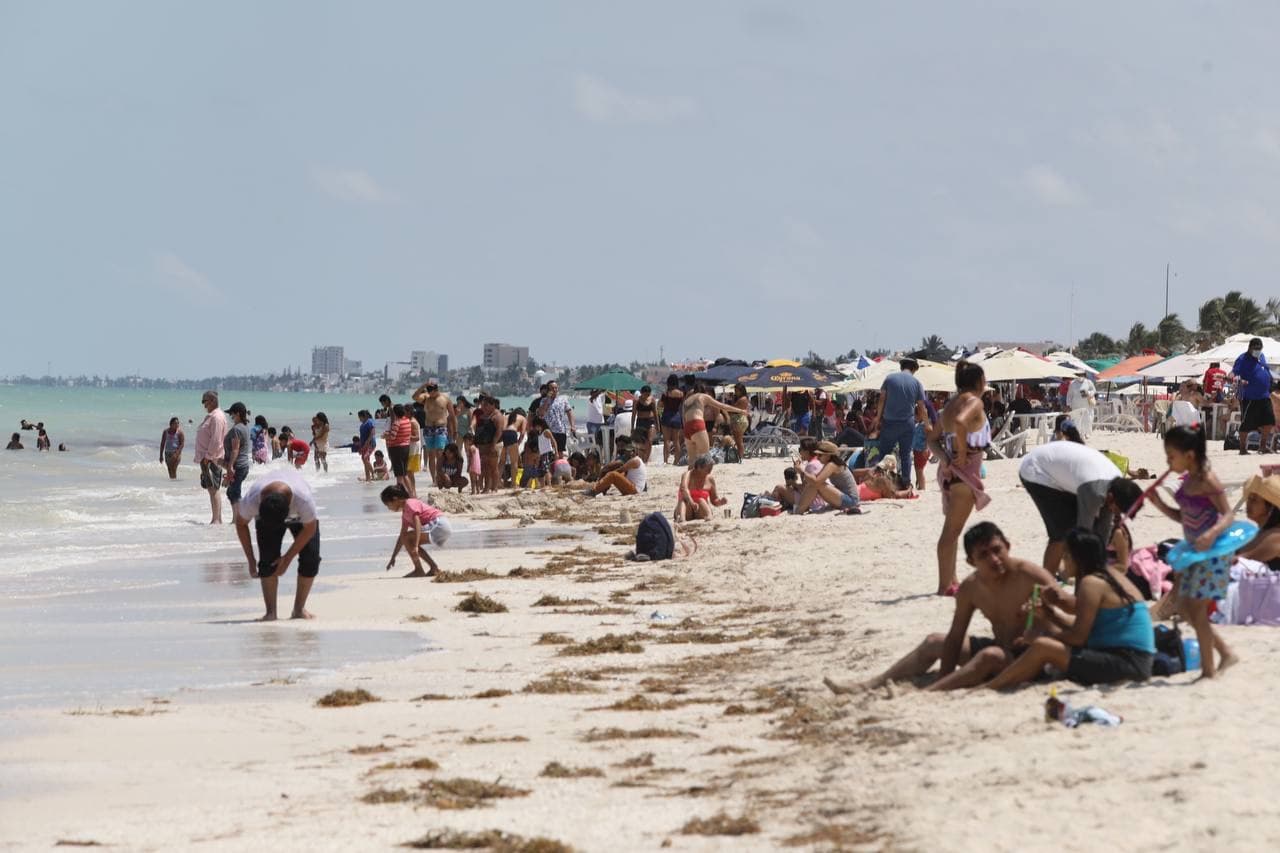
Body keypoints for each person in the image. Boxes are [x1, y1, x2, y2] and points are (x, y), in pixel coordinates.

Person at [825, 522, 1060, 693]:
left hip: (1031, 658)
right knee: (934, 641)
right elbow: (956, 635)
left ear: (1008, 546)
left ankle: (930, 693)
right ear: (971, 562)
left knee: (991, 655)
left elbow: (1070, 617)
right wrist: (946, 672)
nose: (994, 559)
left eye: (997, 550)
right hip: (1001, 647)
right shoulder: (970, 588)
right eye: (984, 555)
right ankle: (870, 685)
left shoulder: (1031, 576)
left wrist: (1041, 628)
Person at [984, 529, 1154, 690]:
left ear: (1077, 558)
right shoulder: (1109, 575)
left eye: (1066, 555)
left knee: (1043, 645)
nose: (1063, 560)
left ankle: (992, 686)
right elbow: (1081, 626)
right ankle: (1010, 678)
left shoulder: (1091, 583)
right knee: (1045, 633)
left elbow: (1078, 637)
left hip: (1129, 663)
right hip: (1134, 659)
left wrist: (1038, 637)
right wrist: (1049, 613)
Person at [1145, 424, 1239, 677]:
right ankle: (1226, 653)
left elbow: (1229, 515)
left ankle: (1209, 670)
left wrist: (1211, 533)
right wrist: (1159, 504)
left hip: (1211, 553)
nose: (1168, 462)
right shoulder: (1186, 482)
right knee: (1186, 609)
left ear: (1189, 455)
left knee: (1196, 609)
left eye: (1170, 456)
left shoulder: (1207, 480)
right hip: (1192, 551)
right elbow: (1184, 518)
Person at [1018, 440, 1124, 574]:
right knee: (1060, 534)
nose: (1118, 516)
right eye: (1117, 511)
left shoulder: (1115, 486)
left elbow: (1102, 531)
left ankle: (1064, 572)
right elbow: (1082, 535)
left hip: (1067, 475)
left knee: (1080, 532)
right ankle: (1046, 584)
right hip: (1037, 470)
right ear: (1112, 499)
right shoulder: (1095, 492)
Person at [233, 468, 321, 621]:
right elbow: (241, 524)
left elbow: (310, 528)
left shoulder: (303, 500)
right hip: (268, 514)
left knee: (311, 559)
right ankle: (270, 613)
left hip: (301, 519)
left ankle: (299, 609)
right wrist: (251, 559)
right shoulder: (252, 500)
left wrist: (287, 558)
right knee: (267, 562)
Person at [935, 362, 990, 596]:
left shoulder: (950, 404)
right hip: (965, 475)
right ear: (979, 381)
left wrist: (947, 458)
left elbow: (932, 439)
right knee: (951, 532)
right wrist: (963, 454)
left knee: (953, 531)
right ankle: (944, 585)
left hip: (949, 473)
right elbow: (960, 423)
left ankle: (951, 579)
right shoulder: (974, 402)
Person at [872, 358, 927, 489]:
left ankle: (880, 481)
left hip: (889, 422)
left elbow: (881, 399)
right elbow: (921, 406)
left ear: (901, 367)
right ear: (913, 369)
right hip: (907, 423)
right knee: (905, 455)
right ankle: (906, 483)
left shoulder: (889, 379)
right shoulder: (917, 383)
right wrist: (927, 423)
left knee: (884, 453)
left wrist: (877, 417)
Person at [381, 484, 452, 577]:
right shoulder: (405, 513)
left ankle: (419, 570)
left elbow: (417, 523)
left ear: (395, 499)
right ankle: (433, 568)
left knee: (408, 539)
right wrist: (393, 557)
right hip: (441, 527)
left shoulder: (410, 504)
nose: (388, 508)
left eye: (388, 505)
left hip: (439, 525)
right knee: (406, 538)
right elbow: (402, 536)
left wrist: (415, 546)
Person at [680, 380, 743, 467]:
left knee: (691, 461)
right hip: (697, 424)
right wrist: (740, 410)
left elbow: (683, 418)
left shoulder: (686, 401)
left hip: (687, 428)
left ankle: (688, 480)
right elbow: (723, 406)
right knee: (706, 459)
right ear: (704, 391)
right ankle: (705, 480)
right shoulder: (703, 396)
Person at [1231, 338, 1275, 454]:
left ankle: (1263, 446)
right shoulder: (1242, 359)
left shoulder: (1262, 356)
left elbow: (1264, 369)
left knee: (1269, 422)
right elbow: (1234, 374)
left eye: (1259, 349)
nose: (1258, 351)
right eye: (1255, 349)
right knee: (1246, 424)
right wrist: (1237, 379)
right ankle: (1242, 448)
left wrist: (1270, 378)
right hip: (1250, 397)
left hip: (1264, 395)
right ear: (1249, 348)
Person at [792, 440, 861, 515]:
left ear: (828, 455)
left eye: (820, 455)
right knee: (813, 484)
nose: (817, 457)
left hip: (851, 502)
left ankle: (798, 510)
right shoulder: (831, 464)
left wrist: (801, 471)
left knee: (816, 484)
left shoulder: (832, 465)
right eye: (817, 455)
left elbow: (816, 482)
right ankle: (799, 509)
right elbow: (814, 479)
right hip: (847, 499)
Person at [413, 381, 456, 485]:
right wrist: (424, 384)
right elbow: (414, 397)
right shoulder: (426, 398)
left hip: (440, 428)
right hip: (428, 428)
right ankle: (434, 480)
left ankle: (442, 476)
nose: (430, 393)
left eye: (432, 391)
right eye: (429, 391)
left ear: (437, 390)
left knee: (440, 453)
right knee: (431, 455)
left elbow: (452, 415)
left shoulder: (445, 399)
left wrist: (454, 431)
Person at [194, 390, 228, 524]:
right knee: (212, 489)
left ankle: (216, 520)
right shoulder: (212, 416)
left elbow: (216, 440)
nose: (203, 405)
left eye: (205, 401)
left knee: (213, 489)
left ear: (213, 401)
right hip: (208, 458)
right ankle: (217, 518)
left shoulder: (217, 417)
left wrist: (208, 457)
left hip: (211, 458)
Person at [1240, 474, 1280, 568]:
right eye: (1249, 499)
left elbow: (1242, 561)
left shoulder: (1276, 536)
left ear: (1271, 508)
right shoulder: (1258, 532)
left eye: (1254, 500)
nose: (1248, 504)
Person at [675, 454, 727, 520]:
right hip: (687, 508)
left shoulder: (710, 479)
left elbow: (714, 500)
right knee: (683, 501)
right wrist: (692, 503)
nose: (710, 472)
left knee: (701, 500)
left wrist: (720, 502)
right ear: (699, 467)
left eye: (711, 469)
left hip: (701, 510)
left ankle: (709, 517)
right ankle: (681, 520)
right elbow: (684, 489)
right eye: (708, 469)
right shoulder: (688, 474)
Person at [222, 402, 253, 508]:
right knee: (231, 492)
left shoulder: (237, 429)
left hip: (238, 465)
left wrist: (230, 466)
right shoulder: (244, 427)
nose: (231, 416)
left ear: (238, 414)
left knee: (234, 493)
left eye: (232, 414)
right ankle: (236, 519)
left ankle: (238, 519)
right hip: (243, 465)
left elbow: (235, 449)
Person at [473, 396, 505, 493]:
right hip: (483, 445)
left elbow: (499, 431)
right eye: (482, 405)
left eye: (486, 405)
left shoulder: (497, 416)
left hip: (493, 444)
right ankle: (487, 487)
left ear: (492, 405)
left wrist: (493, 444)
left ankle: (494, 487)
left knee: (493, 467)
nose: (483, 407)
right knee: (485, 467)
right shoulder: (485, 415)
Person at [383, 404, 415, 497]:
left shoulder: (397, 422)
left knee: (399, 475)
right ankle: (411, 493)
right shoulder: (407, 421)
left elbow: (392, 437)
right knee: (404, 473)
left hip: (397, 449)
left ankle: (401, 495)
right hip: (406, 447)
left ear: (395, 413)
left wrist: (385, 436)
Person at [538, 381, 576, 454]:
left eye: (556, 388)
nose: (554, 390)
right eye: (552, 388)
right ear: (548, 390)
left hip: (561, 430)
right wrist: (548, 399)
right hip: (548, 431)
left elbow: (569, 412)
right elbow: (541, 413)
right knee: (548, 453)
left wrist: (572, 425)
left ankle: (559, 465)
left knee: (560, 452)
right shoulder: (544, 400)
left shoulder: (563, 400)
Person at [659, 374, 685, 465]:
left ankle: (666, 460)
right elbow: (683, 405)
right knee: (676, 440)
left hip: (667, 415)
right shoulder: (681, 393)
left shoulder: (665, 393)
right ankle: (676, 460)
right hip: (677, 416)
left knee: (666, 440)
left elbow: (660, 405)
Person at [1065, 374, 1098, 438]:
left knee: (1087, 419)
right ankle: (1078, 433)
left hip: (1086, 405)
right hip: (1075, 405)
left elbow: (1094, 390)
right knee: (1077, 419)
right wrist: (1068, 404)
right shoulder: (1072, 383)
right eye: (1078, 374)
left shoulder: (1088, 382)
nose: (1080, 376)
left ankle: (1086, 433)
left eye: (1081, 374)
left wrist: (1088, 393)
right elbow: (1069, 394)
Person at [501, 408, 526, 488]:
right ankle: (513, 484)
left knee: (502, 462)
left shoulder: (506, 416)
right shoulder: (523, 418)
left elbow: (502, 428)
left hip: (503, 434)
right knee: (514, 462)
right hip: (512, 434)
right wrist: (518, 443)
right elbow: (522, 433)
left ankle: (497, 482)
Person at [728, 383, 751, 461]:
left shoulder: (743, 399)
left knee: (739, 440)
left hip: (739, 420)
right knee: (738, 440)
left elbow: (733, 408)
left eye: (737, 390)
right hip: (738, 419)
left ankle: (741, 456)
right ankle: (740, 456)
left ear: (741, 391)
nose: (735, 392)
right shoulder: (740, 398)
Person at [357, 409, 377, 481]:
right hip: (364, 445)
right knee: (365, 460)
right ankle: (368, 478)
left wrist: (367, 443)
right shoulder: (362, 426)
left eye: (360, 417)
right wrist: (360, 447)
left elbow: (372, 433)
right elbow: (361, 437)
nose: (359, 419)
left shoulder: (370, 422)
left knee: (365, 458)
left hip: (370, 444)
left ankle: (373, 473)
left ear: (364, 416)